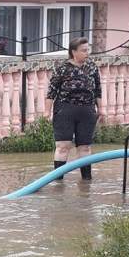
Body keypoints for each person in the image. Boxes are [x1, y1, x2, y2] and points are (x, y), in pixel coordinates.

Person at [45, 37, 103, 180]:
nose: (87, 53)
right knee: (63, 146)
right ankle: (58, 181)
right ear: (73, 52)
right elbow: (51, 91)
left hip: (87, 110)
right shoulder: (62, 68)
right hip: (65, 110)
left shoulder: (92, 67)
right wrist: (47, 111)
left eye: (88, 50)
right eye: (83, 50)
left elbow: (98, 90)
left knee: (85, 147)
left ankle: (86, 181)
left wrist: (101, 108)